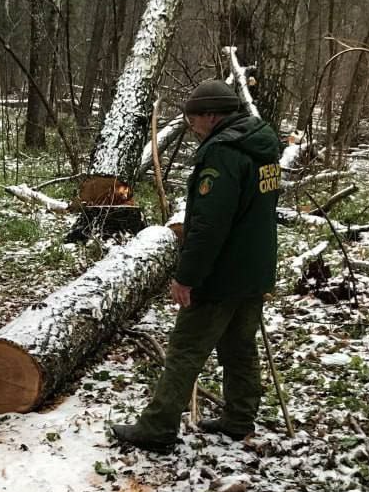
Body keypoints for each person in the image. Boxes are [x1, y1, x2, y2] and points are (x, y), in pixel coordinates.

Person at [111, 79, 282, 452]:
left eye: (193, 120)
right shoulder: (262, 145)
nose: (191, 128)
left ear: (210, 115)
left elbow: (208, 227)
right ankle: (239, 418)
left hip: (222, 273)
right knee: (240, 346)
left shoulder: (222, 154)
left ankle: (157, 427)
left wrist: (187, 277)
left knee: (186, 349)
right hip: (255, 269)